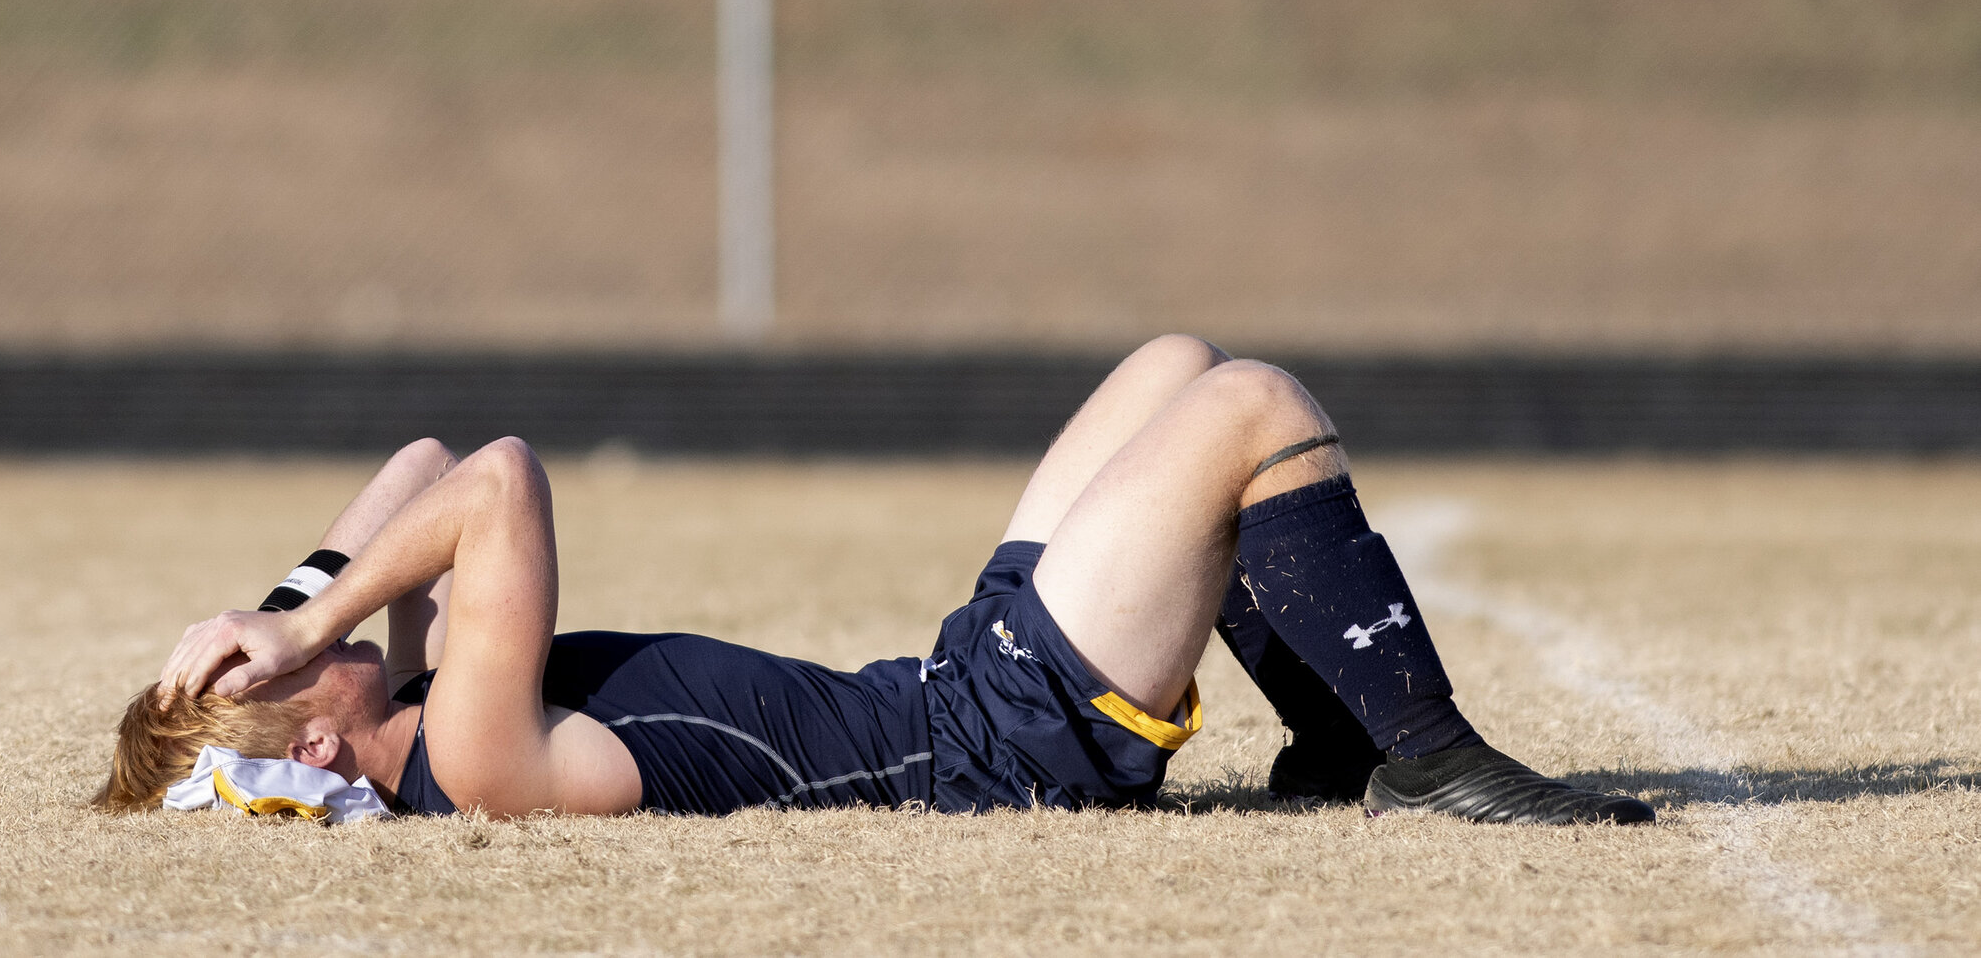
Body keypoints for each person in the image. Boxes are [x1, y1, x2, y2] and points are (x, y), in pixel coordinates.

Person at [109, 335, 1652, 826]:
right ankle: (1430, 754)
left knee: (1169, 364)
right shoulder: (477, 758)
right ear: (314, 742)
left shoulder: (439, 690)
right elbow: (496, 478)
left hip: (957, 680)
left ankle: (1331, 748)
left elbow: (422, 459)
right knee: (1249, 404)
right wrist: (308, 621)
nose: (306, 634)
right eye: (284, 673)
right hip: (1001, 752)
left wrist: (275, 608)